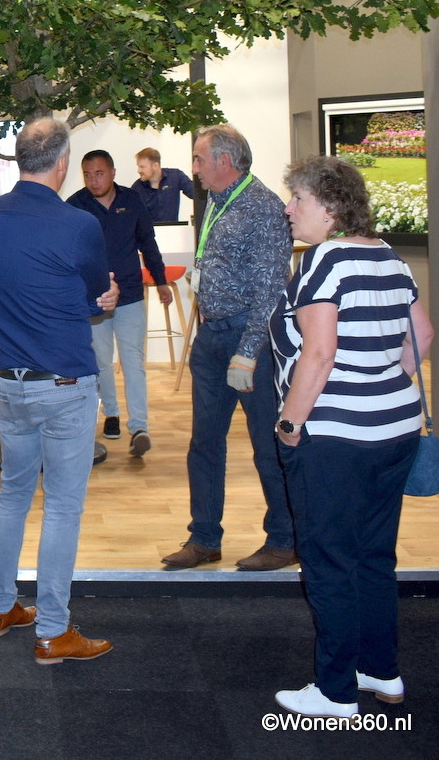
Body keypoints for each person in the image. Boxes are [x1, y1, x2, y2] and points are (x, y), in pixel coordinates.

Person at [270, 155, 431, 717]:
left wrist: (289, 424)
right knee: (373, 557)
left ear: (332, 209)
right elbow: (422, 336)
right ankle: (381, 671)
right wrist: (382, 384)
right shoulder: (389, 256)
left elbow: (318, 353)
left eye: (299, 199)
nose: (289, 209)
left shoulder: (324, 260)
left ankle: (335, 692)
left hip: (336, 438)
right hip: (396, 428)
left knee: (329, 559)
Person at [0, 118, 119, 664]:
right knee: (61, 507)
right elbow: (95, 296)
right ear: (62, 163)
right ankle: (54, 631)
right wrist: (99, 301)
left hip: (8, 384)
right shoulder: (78, 224)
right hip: (63, 385)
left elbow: (3, 288)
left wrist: (82, 301)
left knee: (12, 493)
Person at [161, 124, 296, 571]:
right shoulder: (217, 202)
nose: (194, 168)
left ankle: (284, 540)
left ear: (224, 161)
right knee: (204, 443)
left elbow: (272, 291)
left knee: (266, 445)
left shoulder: (263, 207)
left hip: (249, 341)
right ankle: (204, 538)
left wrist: (249, 351)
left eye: (199, 159)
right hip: (212, 336)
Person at [67, 150, 171, 456]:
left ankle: (139, 427)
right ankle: (111, 413)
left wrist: (161, 280)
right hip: (94, 299)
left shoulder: (132, 200)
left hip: (130, 295)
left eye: (99, 174)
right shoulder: (75, 206)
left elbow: (148, 243)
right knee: (101, 361)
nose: (93, 181)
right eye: (87, 175)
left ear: (112, 173)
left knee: (133, 362)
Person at [134, 147, 195, 222]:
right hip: (148, 229)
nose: (138, 170)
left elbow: (196, 194)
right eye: (138, 167)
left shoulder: (175, 176)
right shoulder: (137, 188)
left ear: (155, 166)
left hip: (172, 229)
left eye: (142, 167)